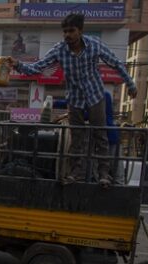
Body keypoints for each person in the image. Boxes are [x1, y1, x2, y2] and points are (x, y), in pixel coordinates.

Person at [7, 13, 137, 188]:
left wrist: (130, 84)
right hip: (75, 99)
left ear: (80, 31)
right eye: (65, 31)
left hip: (95, 96)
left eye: (71, 31)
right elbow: (37, 68)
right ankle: (75, 173)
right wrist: (18, 65)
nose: (67, 35)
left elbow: (116, 63)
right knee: (77, 138)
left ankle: (104, 174)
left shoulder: (94, 45)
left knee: (100, 136)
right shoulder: (59, 50)